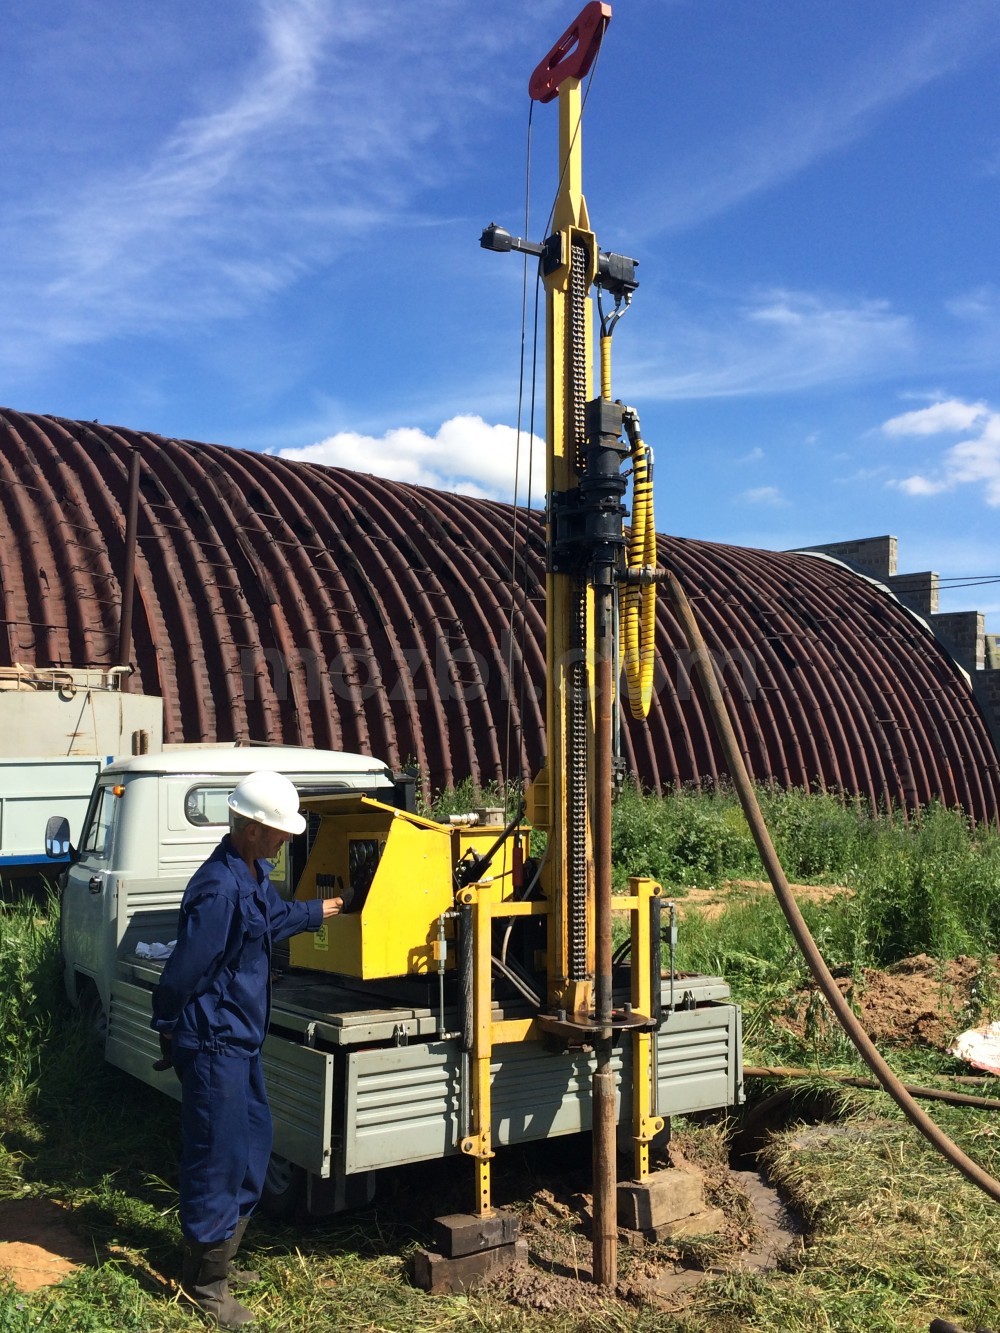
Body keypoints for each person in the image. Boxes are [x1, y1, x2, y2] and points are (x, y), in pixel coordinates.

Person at [151, 770, 342, 1329]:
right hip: (213, 1041)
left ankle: (218, 1260)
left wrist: (321, 910)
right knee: (219, 1156)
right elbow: (185, 967)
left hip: (239, 1040)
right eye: (279, 832)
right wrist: (167, 1022)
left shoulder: (251, 873)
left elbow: (268, 921)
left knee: (253, 1144)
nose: (285, 841)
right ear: (252, 828)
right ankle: (205, 1284)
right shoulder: (219, 887)